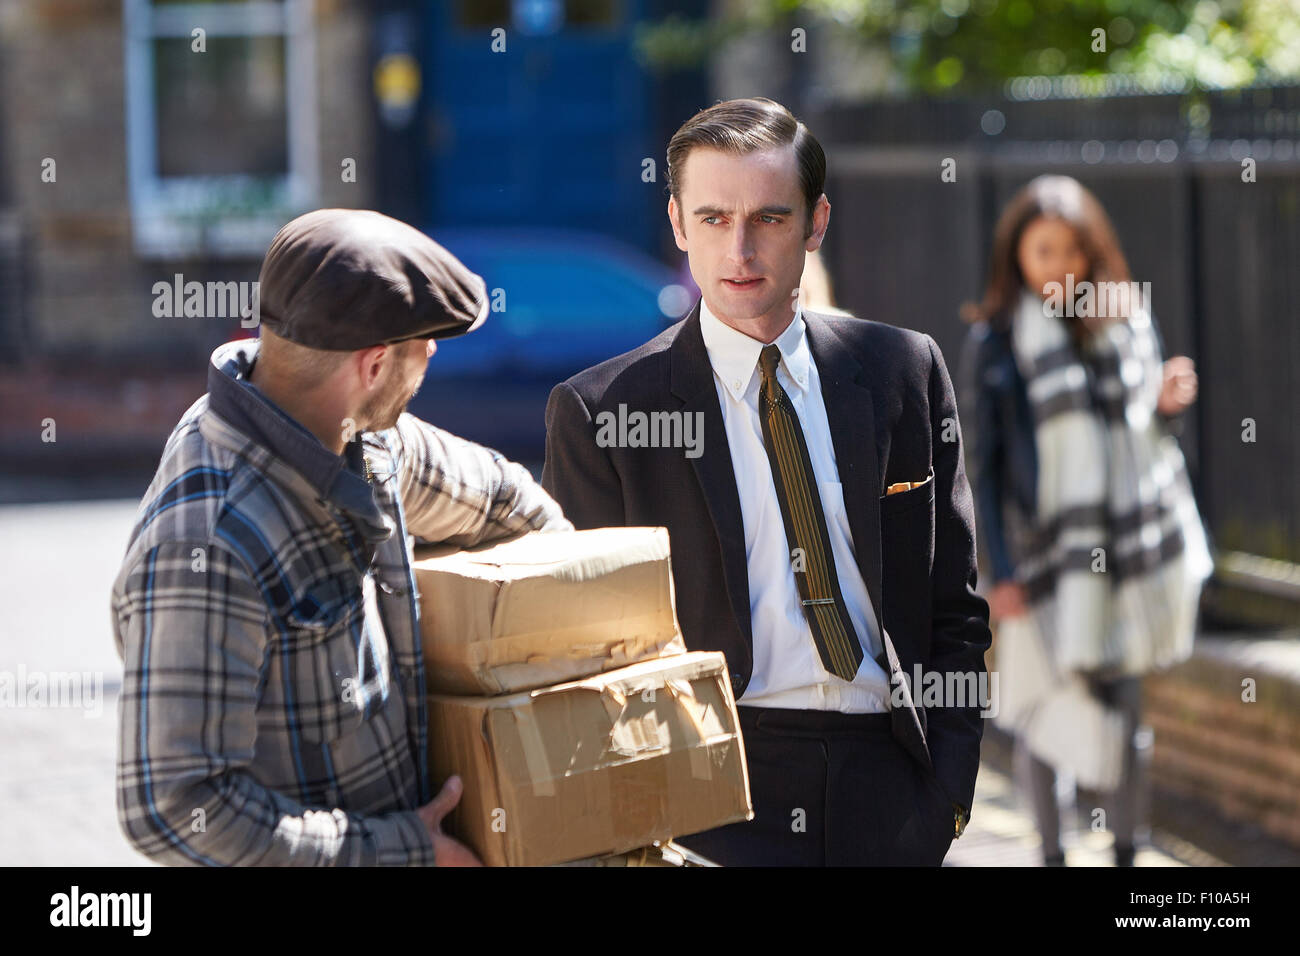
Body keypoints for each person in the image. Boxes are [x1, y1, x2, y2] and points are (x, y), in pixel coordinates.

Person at [542, 97, 992, 866]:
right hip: (709, 786)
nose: (739, 250)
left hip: (887, 784)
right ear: (679, 226)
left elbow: (955, 605)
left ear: (816, 224)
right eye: (713, 220)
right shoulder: (602, 411)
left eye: (769, 219)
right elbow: (587, 655)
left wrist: (947, 795)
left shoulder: (903, 371)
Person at [111, 208, 572, 866]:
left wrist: (581, 638)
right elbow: (178, 807)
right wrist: (404, 852)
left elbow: (503, 496)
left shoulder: (365, 437)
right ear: (375, 364)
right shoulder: (209, 543)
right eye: (424, 347)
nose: (433, 358)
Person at [959, 175, 1213, 866]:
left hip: (1123, 558)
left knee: (1123, 712)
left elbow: (1142, 447)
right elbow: (982, 468)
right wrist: (998, 572)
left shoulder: (1123, 321)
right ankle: (1052, 853)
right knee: (1045, 712)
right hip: (1040, 559)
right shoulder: (997, 342)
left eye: (1071, 250)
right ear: (1017, 256)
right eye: (1043, 250)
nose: (1059, 266)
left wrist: (1162, 408)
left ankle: (1129, 849)